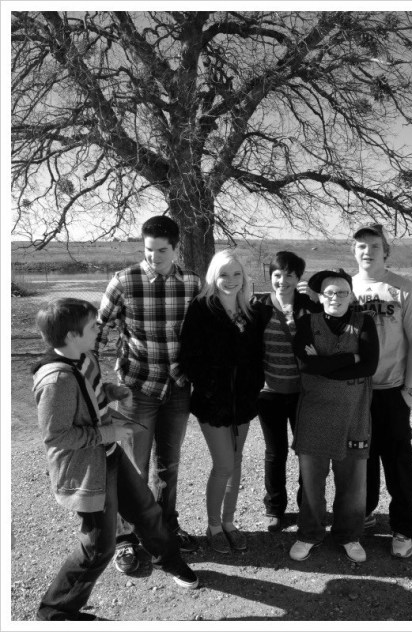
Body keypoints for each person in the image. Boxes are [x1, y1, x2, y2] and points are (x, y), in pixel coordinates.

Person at [33, 298, 199, 621]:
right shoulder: (55, 381)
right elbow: (57, 437)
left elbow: (89, 395)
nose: (99, 329)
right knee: (98, 546)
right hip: (88, 471)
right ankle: (55, 613)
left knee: (146, 510)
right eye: (92, 326)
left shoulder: (84, 358)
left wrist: (111, 392)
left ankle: (169, 560)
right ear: (71, 336)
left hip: (110, 455)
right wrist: (107, 433)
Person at [95, 215, 201, 574]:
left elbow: (202, 330)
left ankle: (165, 527)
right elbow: (99, 329)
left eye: (162, 251)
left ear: (176, 248)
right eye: (148, 250)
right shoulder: (125, 281)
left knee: (168, 466)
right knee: (132, 468)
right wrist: (89, 378)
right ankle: (125, 538)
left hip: (178, 387)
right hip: (137, 388)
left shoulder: (192, 283)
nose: (154, 257)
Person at [351, 224, 412, 558]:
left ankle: (402, 527)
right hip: (356, 391)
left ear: (386, 251)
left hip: (393, 388)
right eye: (361, 246)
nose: (367, 251)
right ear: (353, 251)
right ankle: (365, 511)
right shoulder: (345, 288)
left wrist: (409, 390)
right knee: (361, 457)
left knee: (397, 462)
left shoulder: (403, 289)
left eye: (374, 245)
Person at [289, 269, 379, 564]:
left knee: (353, 482)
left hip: (354, 414)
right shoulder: (307, 323)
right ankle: (309, 533)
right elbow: (306, 365)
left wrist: (324, 364)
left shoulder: (364, 322)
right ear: (319, 296)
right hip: (314, 413)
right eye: (329, 292)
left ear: (351, 295)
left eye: (342, 292)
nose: (336, 297)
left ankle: (349, 535)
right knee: (312, 482)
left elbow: (369, 366)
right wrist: (350, 358)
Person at [179, 251, 264, 554]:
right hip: (213, 402)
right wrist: (211, 386)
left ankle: (229, 522)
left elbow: (257, 355)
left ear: (244, 277)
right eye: (224, 274)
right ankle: (213, 525)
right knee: (224, 463)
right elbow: (189, 356)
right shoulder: (201, 309)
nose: (230, 280)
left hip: (243, 400)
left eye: (236, 274)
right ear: (213, 277)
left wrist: (252, 386)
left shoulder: (250, 310)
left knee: (237, 462)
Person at [254, 251, 320, 532]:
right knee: (275, 452)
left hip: (303, 392)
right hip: (269, 392)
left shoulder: (309, 306)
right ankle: (274, 507)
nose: (283, 281)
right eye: (277, 274)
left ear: (299, 278)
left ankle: (307, 504)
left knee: (306, 451)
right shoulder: (259, 305)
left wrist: (317, 300)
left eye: (289, 275)